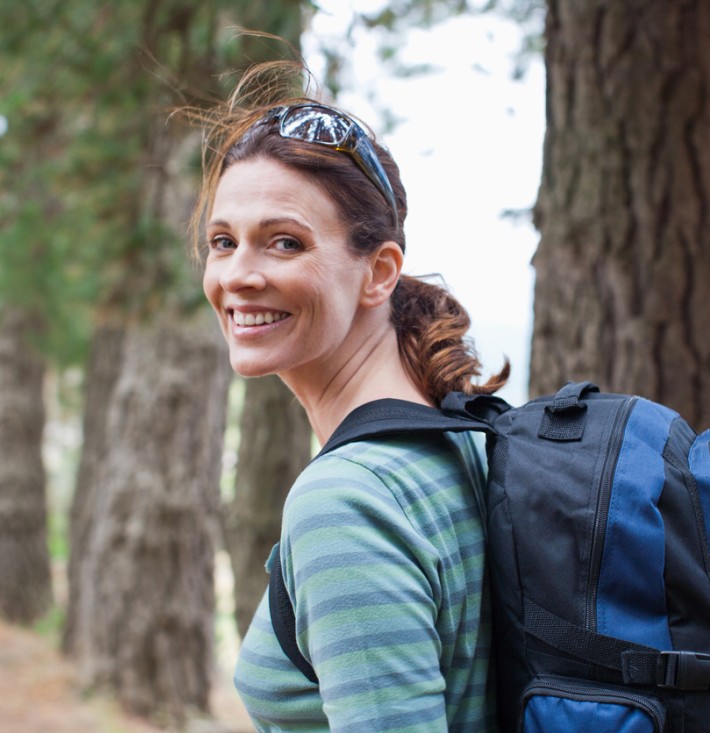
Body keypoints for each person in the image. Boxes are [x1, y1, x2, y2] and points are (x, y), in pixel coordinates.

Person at [194, 69, 508, 732]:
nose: (239, 275)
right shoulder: (468, 443)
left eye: (285, 241)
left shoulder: (348, 501)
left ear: (380, 272)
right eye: (223, 241)